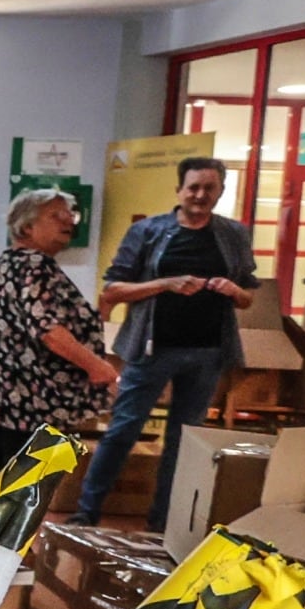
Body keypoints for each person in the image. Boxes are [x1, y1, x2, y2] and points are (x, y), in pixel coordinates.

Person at [74, 157, 259, 528]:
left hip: (207, 352)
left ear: (221, 191)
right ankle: (86, 513)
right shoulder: (148, 232)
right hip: (151, 349)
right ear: (179, 190)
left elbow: (247, 297)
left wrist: (234, 290)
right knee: (123, 429)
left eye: (210, 188)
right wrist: (165, 283)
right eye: (193, 187)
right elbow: (113, 288)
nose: (200, 195)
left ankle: (161, 524)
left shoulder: (234, 234)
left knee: (183, 441)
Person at [0, 189, 120, 487]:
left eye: (69, 214)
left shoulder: (10, 262)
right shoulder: (35, 266)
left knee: (4, 477)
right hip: (28, 397)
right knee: (17, 484)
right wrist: (97, 366)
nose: (68, 221)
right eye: (55, 215)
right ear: (26, 227)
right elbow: (48, 330)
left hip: (9, 393)